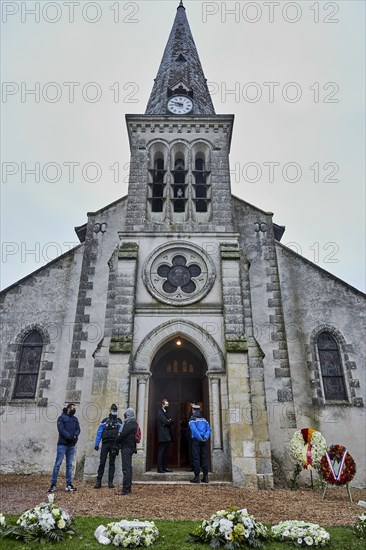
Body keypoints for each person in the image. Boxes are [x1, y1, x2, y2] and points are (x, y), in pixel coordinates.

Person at [48, 403, 80, 492]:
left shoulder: (75, 419)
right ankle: (53, 484)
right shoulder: (61, 418)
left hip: (71, 445)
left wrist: (75, 436)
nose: (74, 410)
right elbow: (61, 429)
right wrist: (68, 436)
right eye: (73, 408)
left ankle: (69, 484)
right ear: (69, 408)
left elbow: (78, 429)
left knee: (69, 465)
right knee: (57, 464)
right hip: (62, 444)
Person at [94, 403, 122, 489]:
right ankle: (99, 481)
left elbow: (121, 433)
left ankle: (110, 482)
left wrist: (119, 445)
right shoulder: (105, 421)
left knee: (112, 463)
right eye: (113, 410)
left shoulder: (119, 421)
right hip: (105, 444)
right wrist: (97, 443)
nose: (114, 412)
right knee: (102, 462)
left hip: (114, 444)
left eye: (115, 410)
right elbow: (99, 432)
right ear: (110, 411)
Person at [115, 407, 138, 495]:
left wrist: (117, 440)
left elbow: (124, 433)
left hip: (127, 447)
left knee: (126, 468)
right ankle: (127, 487)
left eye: (126, 413)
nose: (125, 414)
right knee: (127, 467)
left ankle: (125, 489)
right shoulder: (129, 422)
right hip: (127, 446)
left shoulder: (131, 423)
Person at [189, 403, 211, 484]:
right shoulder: (204, 419)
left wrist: (200, 438)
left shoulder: (192, 419)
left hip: (196, 440)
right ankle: (206, 477)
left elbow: (194, 430)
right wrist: (205, 437)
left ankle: (197, 477)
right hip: (204, 441)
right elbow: (208, 430)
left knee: (196, 458)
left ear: (193, 410)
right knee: (204, 458)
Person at [156, 398, 174, 473]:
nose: (167, 406)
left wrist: (168, 421)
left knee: (165, 453)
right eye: (166, 405)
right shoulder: (160, 412)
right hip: (163, 435)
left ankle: (165, 467)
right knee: (161, 452)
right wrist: (168, 421)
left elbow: (171, 420)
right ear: (162, 405)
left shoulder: (166, 412)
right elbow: (165, 422)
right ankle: (160, 468)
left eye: (168, 405)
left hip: (167, 435)